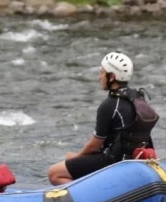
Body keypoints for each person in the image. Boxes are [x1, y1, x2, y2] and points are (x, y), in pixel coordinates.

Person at [47, 52, 159, 186]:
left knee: (54, 173)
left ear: (111, 77)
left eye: (101, 72)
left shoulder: (110, 104)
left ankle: (88, 198)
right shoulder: (137, 98)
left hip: (113, 162)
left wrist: (76, 156)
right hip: (131, 160)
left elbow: (94, 145)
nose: (99, 77)